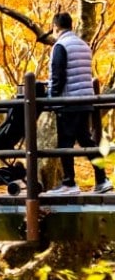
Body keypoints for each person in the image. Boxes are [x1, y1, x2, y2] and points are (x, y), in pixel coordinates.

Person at [43, 11, 112, 196]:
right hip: (85, 99)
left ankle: (69, 183)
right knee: (86, 140)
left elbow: (58, 75)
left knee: (65, 142)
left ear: (55, 27)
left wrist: (52, 98)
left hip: (69, 101)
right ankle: (102, 179)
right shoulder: (83, 45)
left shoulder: (60, 46)